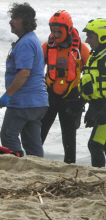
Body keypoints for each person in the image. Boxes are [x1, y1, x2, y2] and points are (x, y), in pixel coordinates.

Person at [0, 3, 48, 157]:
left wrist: (8, 95)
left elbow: (24, 73)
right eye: (11, 17)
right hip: (38, 102)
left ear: (25, 21)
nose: (11, 21)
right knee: (32, 143)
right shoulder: (31, 39)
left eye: (15, 18)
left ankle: (17, 164)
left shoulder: (26, 43)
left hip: (24, 102)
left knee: (8, 135)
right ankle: (38, 169)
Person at [40, 11, 89, 164]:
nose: (54, 34)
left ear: (68, 29)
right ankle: (32, 160)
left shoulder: (81, 49)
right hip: (49, 95)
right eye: (52, 30)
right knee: (39, 133)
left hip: (71, 97)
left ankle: (70, 165)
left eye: (58, 31)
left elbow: (92, 74)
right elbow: (34, 70)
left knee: (69, 138)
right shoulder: (47, 47)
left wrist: (84, 99)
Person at [78, 19, 106, 167]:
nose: (87, 40)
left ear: (102, 36)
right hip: (99, 107)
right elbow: (91, 85)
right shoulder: (95, 56)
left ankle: (99, 178)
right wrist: (83, 105)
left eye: (90, 36)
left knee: (95, 145)